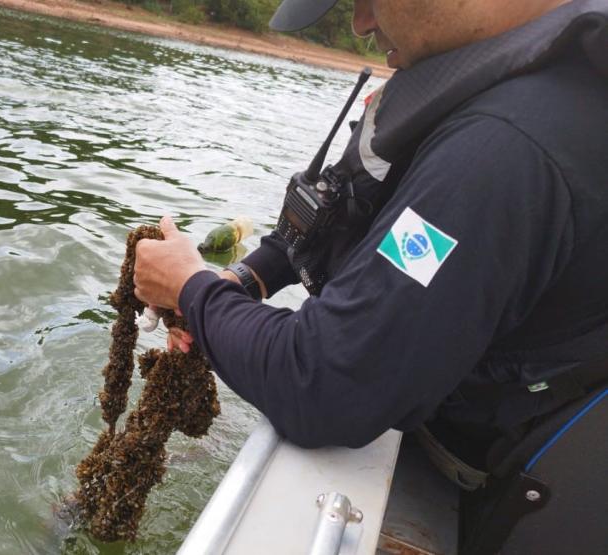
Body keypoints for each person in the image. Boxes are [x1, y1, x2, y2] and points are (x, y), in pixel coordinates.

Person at [134, 0, 607, 551]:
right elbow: (331, 209)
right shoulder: (500, 83)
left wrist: (193, 288)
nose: (360, 22)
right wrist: (243, 279)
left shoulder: (507, 145)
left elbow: (323, 386)